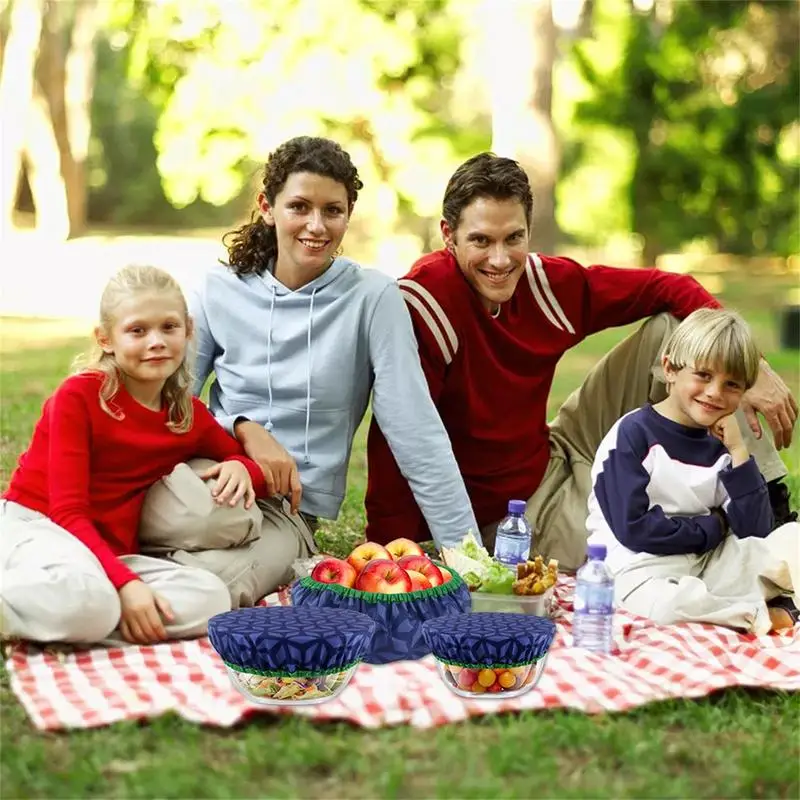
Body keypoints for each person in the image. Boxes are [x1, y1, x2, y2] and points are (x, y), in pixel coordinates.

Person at [365, 153, 797, 570]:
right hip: (510, 509)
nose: (500, 259)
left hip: (559, 446)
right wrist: (387, 547)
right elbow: (398, 431)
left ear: (528, 232)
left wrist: (752, 367)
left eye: (513, 238)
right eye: (481, 240)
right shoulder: (427, 301)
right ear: (448, 235)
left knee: (678, 331)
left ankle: (769, 507)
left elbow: (669, 286)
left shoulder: (543, 284)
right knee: (631, 552)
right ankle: (716, 523)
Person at [180, 135, 477, 599]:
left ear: (348, 215)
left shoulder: (373, 298)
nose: (316, 226)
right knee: (190, 518)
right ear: (267, 206)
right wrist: (240, 428)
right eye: (299, 206)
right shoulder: (218, 289)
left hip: (287, 510)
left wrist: (468, 561)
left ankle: (134, 577)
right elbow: (169, 403)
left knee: (212, 587)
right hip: (211, 474)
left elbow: (415, 429)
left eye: (332, 211)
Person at [0, 265, 265, 645]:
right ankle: (77, 611)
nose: (156, 341)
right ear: (105, 339)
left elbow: (250, 467)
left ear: (189, 330)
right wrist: (126, 584)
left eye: (169, 327)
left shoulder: (186, 414)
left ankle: (80, 619)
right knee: (91, 604)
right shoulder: (78, 398)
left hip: (104, 552)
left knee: (210, 597)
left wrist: (242, 467)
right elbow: (67, 512)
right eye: (137, 330)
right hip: (40, 528)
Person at [585, 308, 798, 633]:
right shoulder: (631, 435)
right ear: (670, 369)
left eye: (731, 384)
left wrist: (739, 453)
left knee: (792, 541)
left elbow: (755, 530)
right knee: (668, 605)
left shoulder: (723, 443)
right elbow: (635, 529)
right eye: (703, 375)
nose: (714, 392)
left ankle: (741, 603)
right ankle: (763, 614)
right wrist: (713, 527)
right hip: (641, 566)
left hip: (709, 562)